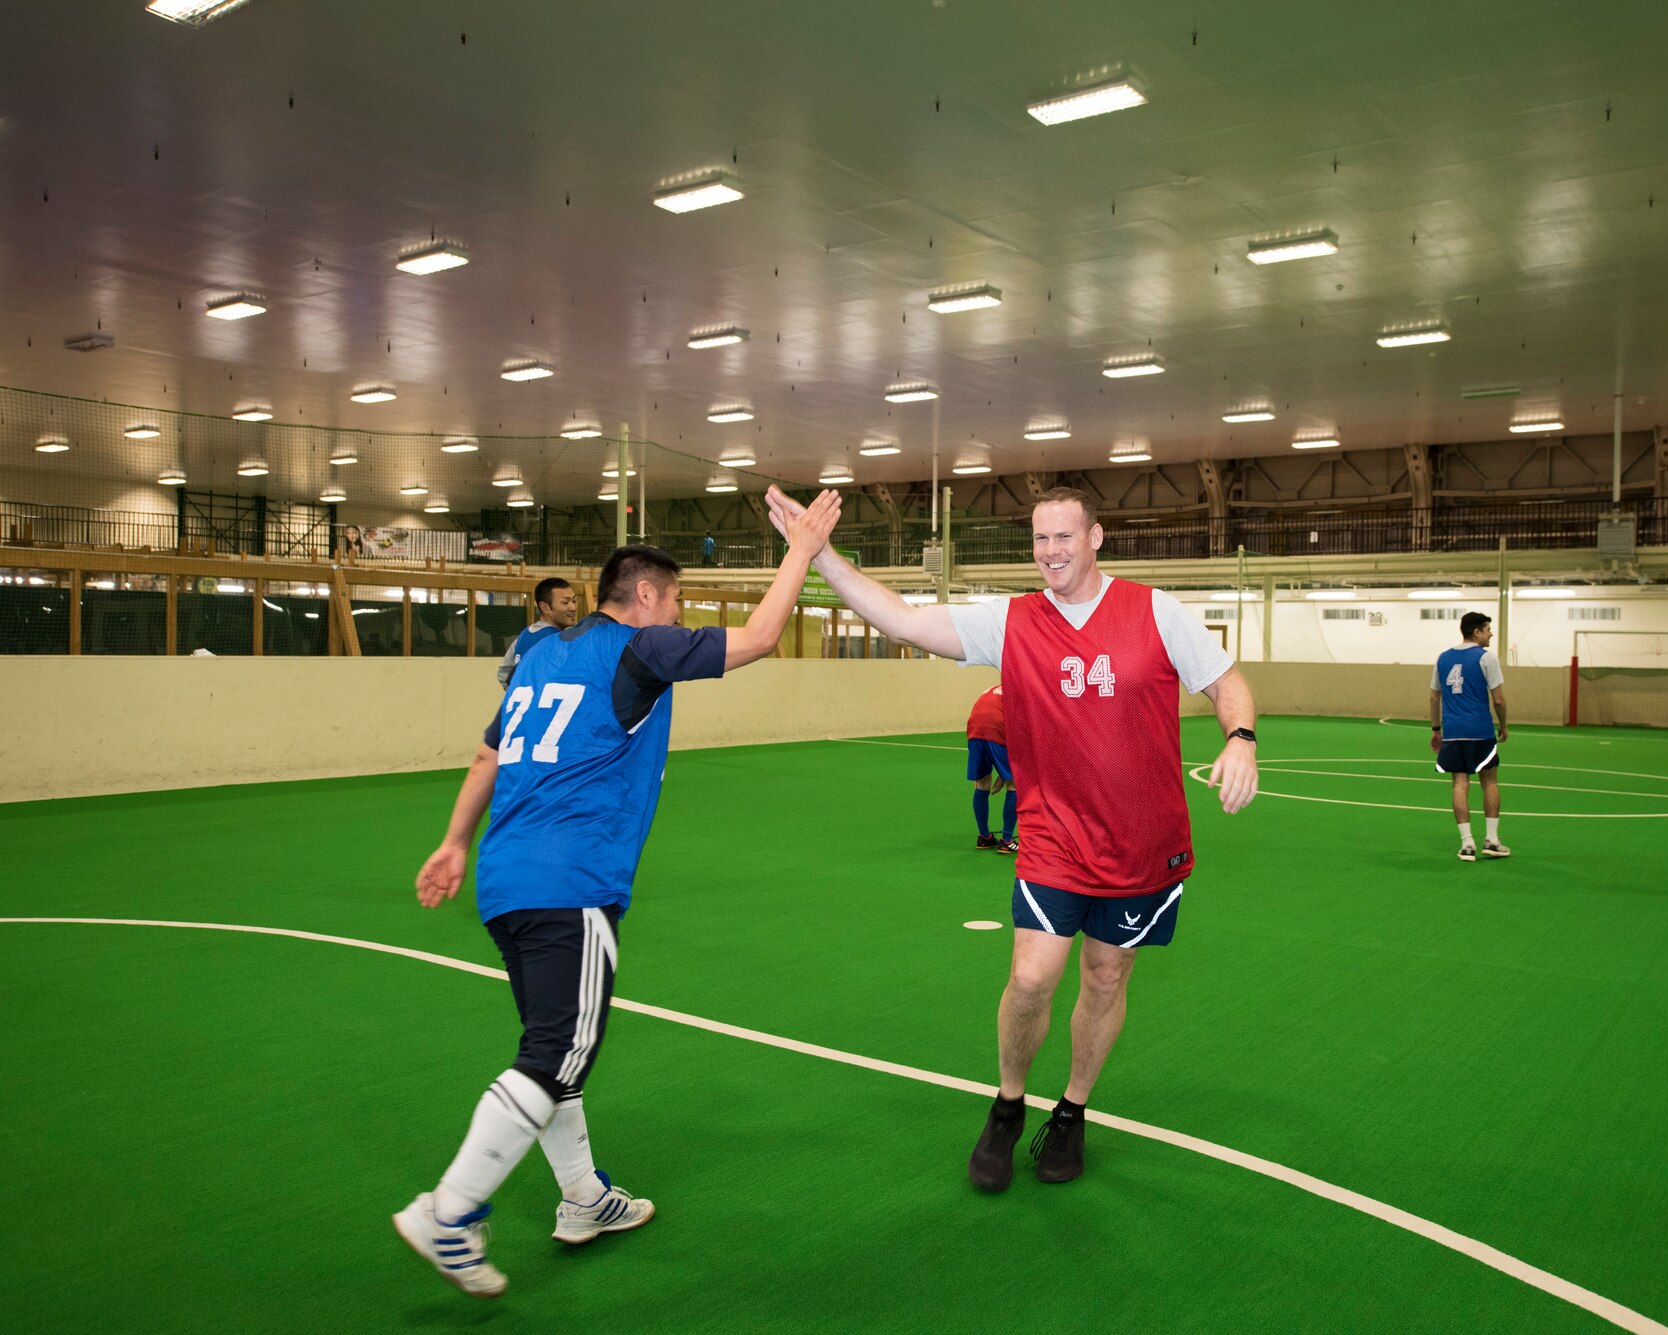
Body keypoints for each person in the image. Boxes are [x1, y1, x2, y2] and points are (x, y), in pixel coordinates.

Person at [395, 486, 842, 1299]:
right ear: (644, 598)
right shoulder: (640, 649)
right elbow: (766, 636)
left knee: (551, 1047)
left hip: (504, 881)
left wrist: (454, 840)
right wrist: (802, 549)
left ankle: (582, 1200)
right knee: (557, 1050)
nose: (679, 617)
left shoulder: (539, 656)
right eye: (674, 602)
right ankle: (449, 1209)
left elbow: (486, 756)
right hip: (570, 883)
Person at [766, 485, 1257, 1191]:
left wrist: (1239, 738)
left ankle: (1073, 1110)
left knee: (1106, 975)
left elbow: (1226, 680)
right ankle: (1006, 1103)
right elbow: (902, 619)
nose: (1051, 551)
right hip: (1054, 838)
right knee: (1031, 977)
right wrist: (821, 556)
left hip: (1144, 844)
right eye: (1039, 539)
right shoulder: (1012, 621)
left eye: (1064, 536)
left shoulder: (1156, 611)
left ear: (1096, 537)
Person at [1429, 611, 1509, 861]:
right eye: (1487, 629)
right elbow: (1498, 699)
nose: (1491, 634)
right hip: (1480, 731)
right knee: (1490, 782)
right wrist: (1504, 725)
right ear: (1476, 632)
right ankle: (1492, 841)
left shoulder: (1442, 658)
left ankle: (1466, 844)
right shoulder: (1486, 658)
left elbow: (1434, 696)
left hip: (1453, 732)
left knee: (1459, 784)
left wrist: (1436, 729)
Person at [497, 577, 579, 688]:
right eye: (565, 602)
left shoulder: (524, 635)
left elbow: (503, 674)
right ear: (545, 608)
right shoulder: (558, 640)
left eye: (574, 601)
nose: (573, 607)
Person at [966, 684, 1016, 852]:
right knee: (1015, 784)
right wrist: (1006, 775)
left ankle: (984, 837)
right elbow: (1018, 729)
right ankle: (1007, 840)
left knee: (981, 783)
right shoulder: (1020, 691)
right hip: (996, 728)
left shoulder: (991, 689)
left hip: (974, 731)